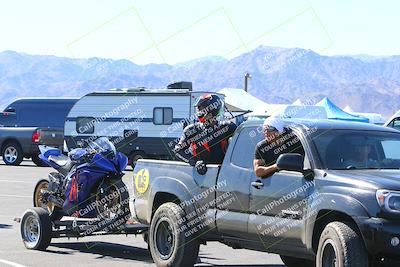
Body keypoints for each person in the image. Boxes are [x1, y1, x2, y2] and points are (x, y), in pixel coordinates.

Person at [174, 94, 237, 174]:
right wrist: (196, 162)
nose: (198, 113)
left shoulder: (228, 127)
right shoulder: (192, 129)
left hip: (223, 173)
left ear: (211, 111)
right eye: (198, 110)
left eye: (201, 110)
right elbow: (178, 150)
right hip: (201, 175)